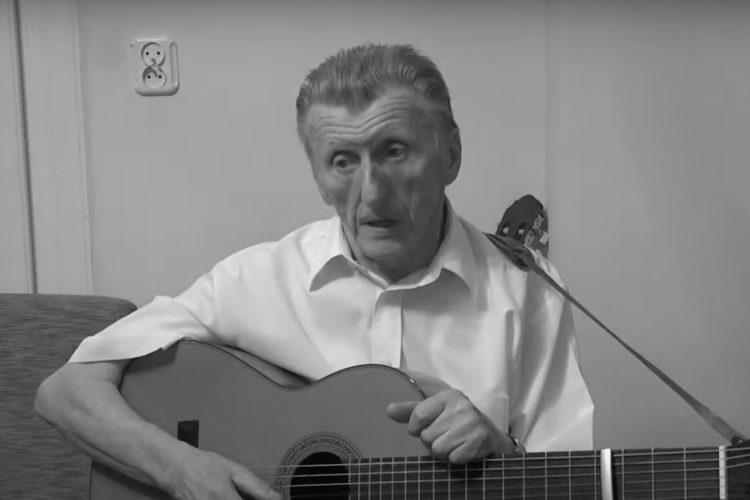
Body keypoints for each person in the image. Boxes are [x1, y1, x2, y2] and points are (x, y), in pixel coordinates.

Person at [35, 43, 593, 500]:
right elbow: (65, 391)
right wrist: (180, 468)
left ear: (450, 155)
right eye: (343, 161)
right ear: (318, 179)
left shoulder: (527, 289)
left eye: (394, 151)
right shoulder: (260, 278)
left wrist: (503, 453)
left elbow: (574, 478)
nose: (372, 192)